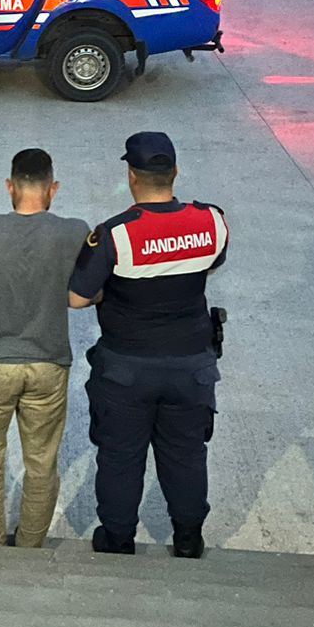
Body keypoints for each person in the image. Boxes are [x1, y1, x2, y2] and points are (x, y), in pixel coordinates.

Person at [69, 131, 229, 558]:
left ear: (131, 176)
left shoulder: (114, 234)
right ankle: (189, 539)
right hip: (192, 367)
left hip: (126, 369)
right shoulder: (211, 220)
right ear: (175, 172)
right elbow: (210, 264)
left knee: (121, 457)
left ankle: (118, 539)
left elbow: (77, 297)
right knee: (187, 455)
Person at [0, 148, 87, 548]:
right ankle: (31, 545)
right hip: (48, 363)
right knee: (41, 462)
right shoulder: (73, 231)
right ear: (53, 188)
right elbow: (81, 296)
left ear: (10, 186)